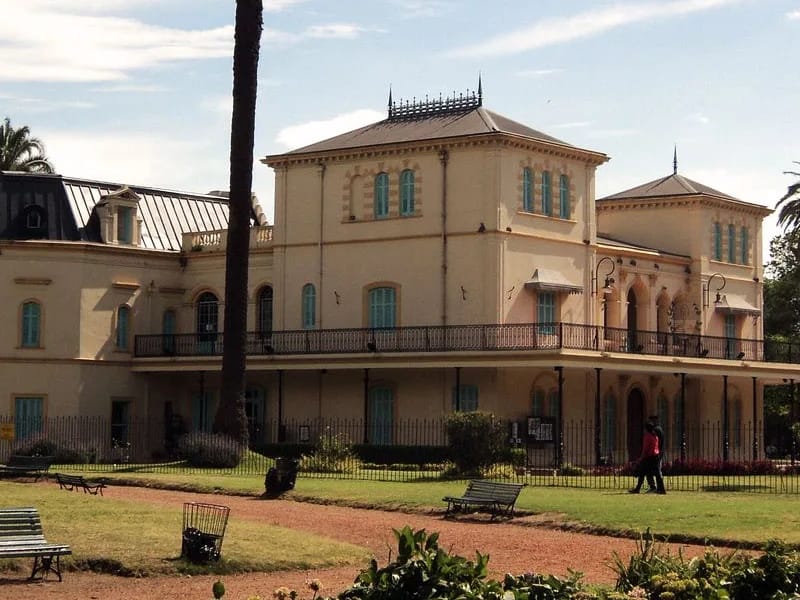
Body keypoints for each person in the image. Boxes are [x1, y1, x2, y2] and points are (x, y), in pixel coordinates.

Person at [629, 421, 666, 494]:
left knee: (642, 473)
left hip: (649, 457)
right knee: (657, 473)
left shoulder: (647, 436)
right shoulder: (655, 436)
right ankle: (661, 489)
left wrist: (641, 458)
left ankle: (638, 488)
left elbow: (645, 449)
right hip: (656, 456)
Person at [646, 415, 666, 493]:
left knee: (653, 470)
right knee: (657, 471)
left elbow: (656, 442)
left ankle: (655, 487)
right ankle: (659, 488)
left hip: (655, 453)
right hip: (658, 452)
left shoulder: (655, 430)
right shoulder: (659, 429)